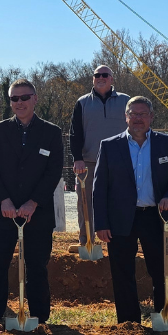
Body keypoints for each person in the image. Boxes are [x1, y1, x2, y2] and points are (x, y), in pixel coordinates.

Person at [92, 96, 168, 324]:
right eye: (133, 114)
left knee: (164, 271)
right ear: (126, 117)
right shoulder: (109, 146)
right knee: (123, 272)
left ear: (151, 117)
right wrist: (101, 224)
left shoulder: (167, 144)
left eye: (143, 114)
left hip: (156, 218)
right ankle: (128, 323)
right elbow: (99, 188)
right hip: (120, 220)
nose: (137, 118)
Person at [0, 79, 63, 325]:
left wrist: (33, 202)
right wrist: (3, 200)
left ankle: (38, 317)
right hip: (1, 212)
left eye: (24, 97)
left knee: (36, 267)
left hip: (37, 214)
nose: (19, 103)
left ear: (35, 99)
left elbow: (53, 171)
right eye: (14, 98)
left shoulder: (51, 133)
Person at [69, 65, 130, 252]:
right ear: (92, 79)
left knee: (120, 202)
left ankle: (121, 239)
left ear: (112, 79)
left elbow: (136, 130)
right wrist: (77, 158)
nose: (100, 78)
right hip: (89, 162)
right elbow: (75, 133)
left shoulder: (126, 101)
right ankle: (85, 239)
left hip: (119, 163)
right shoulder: (82, 102)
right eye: (97, 75)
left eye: (105, 75)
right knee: (85, 202)